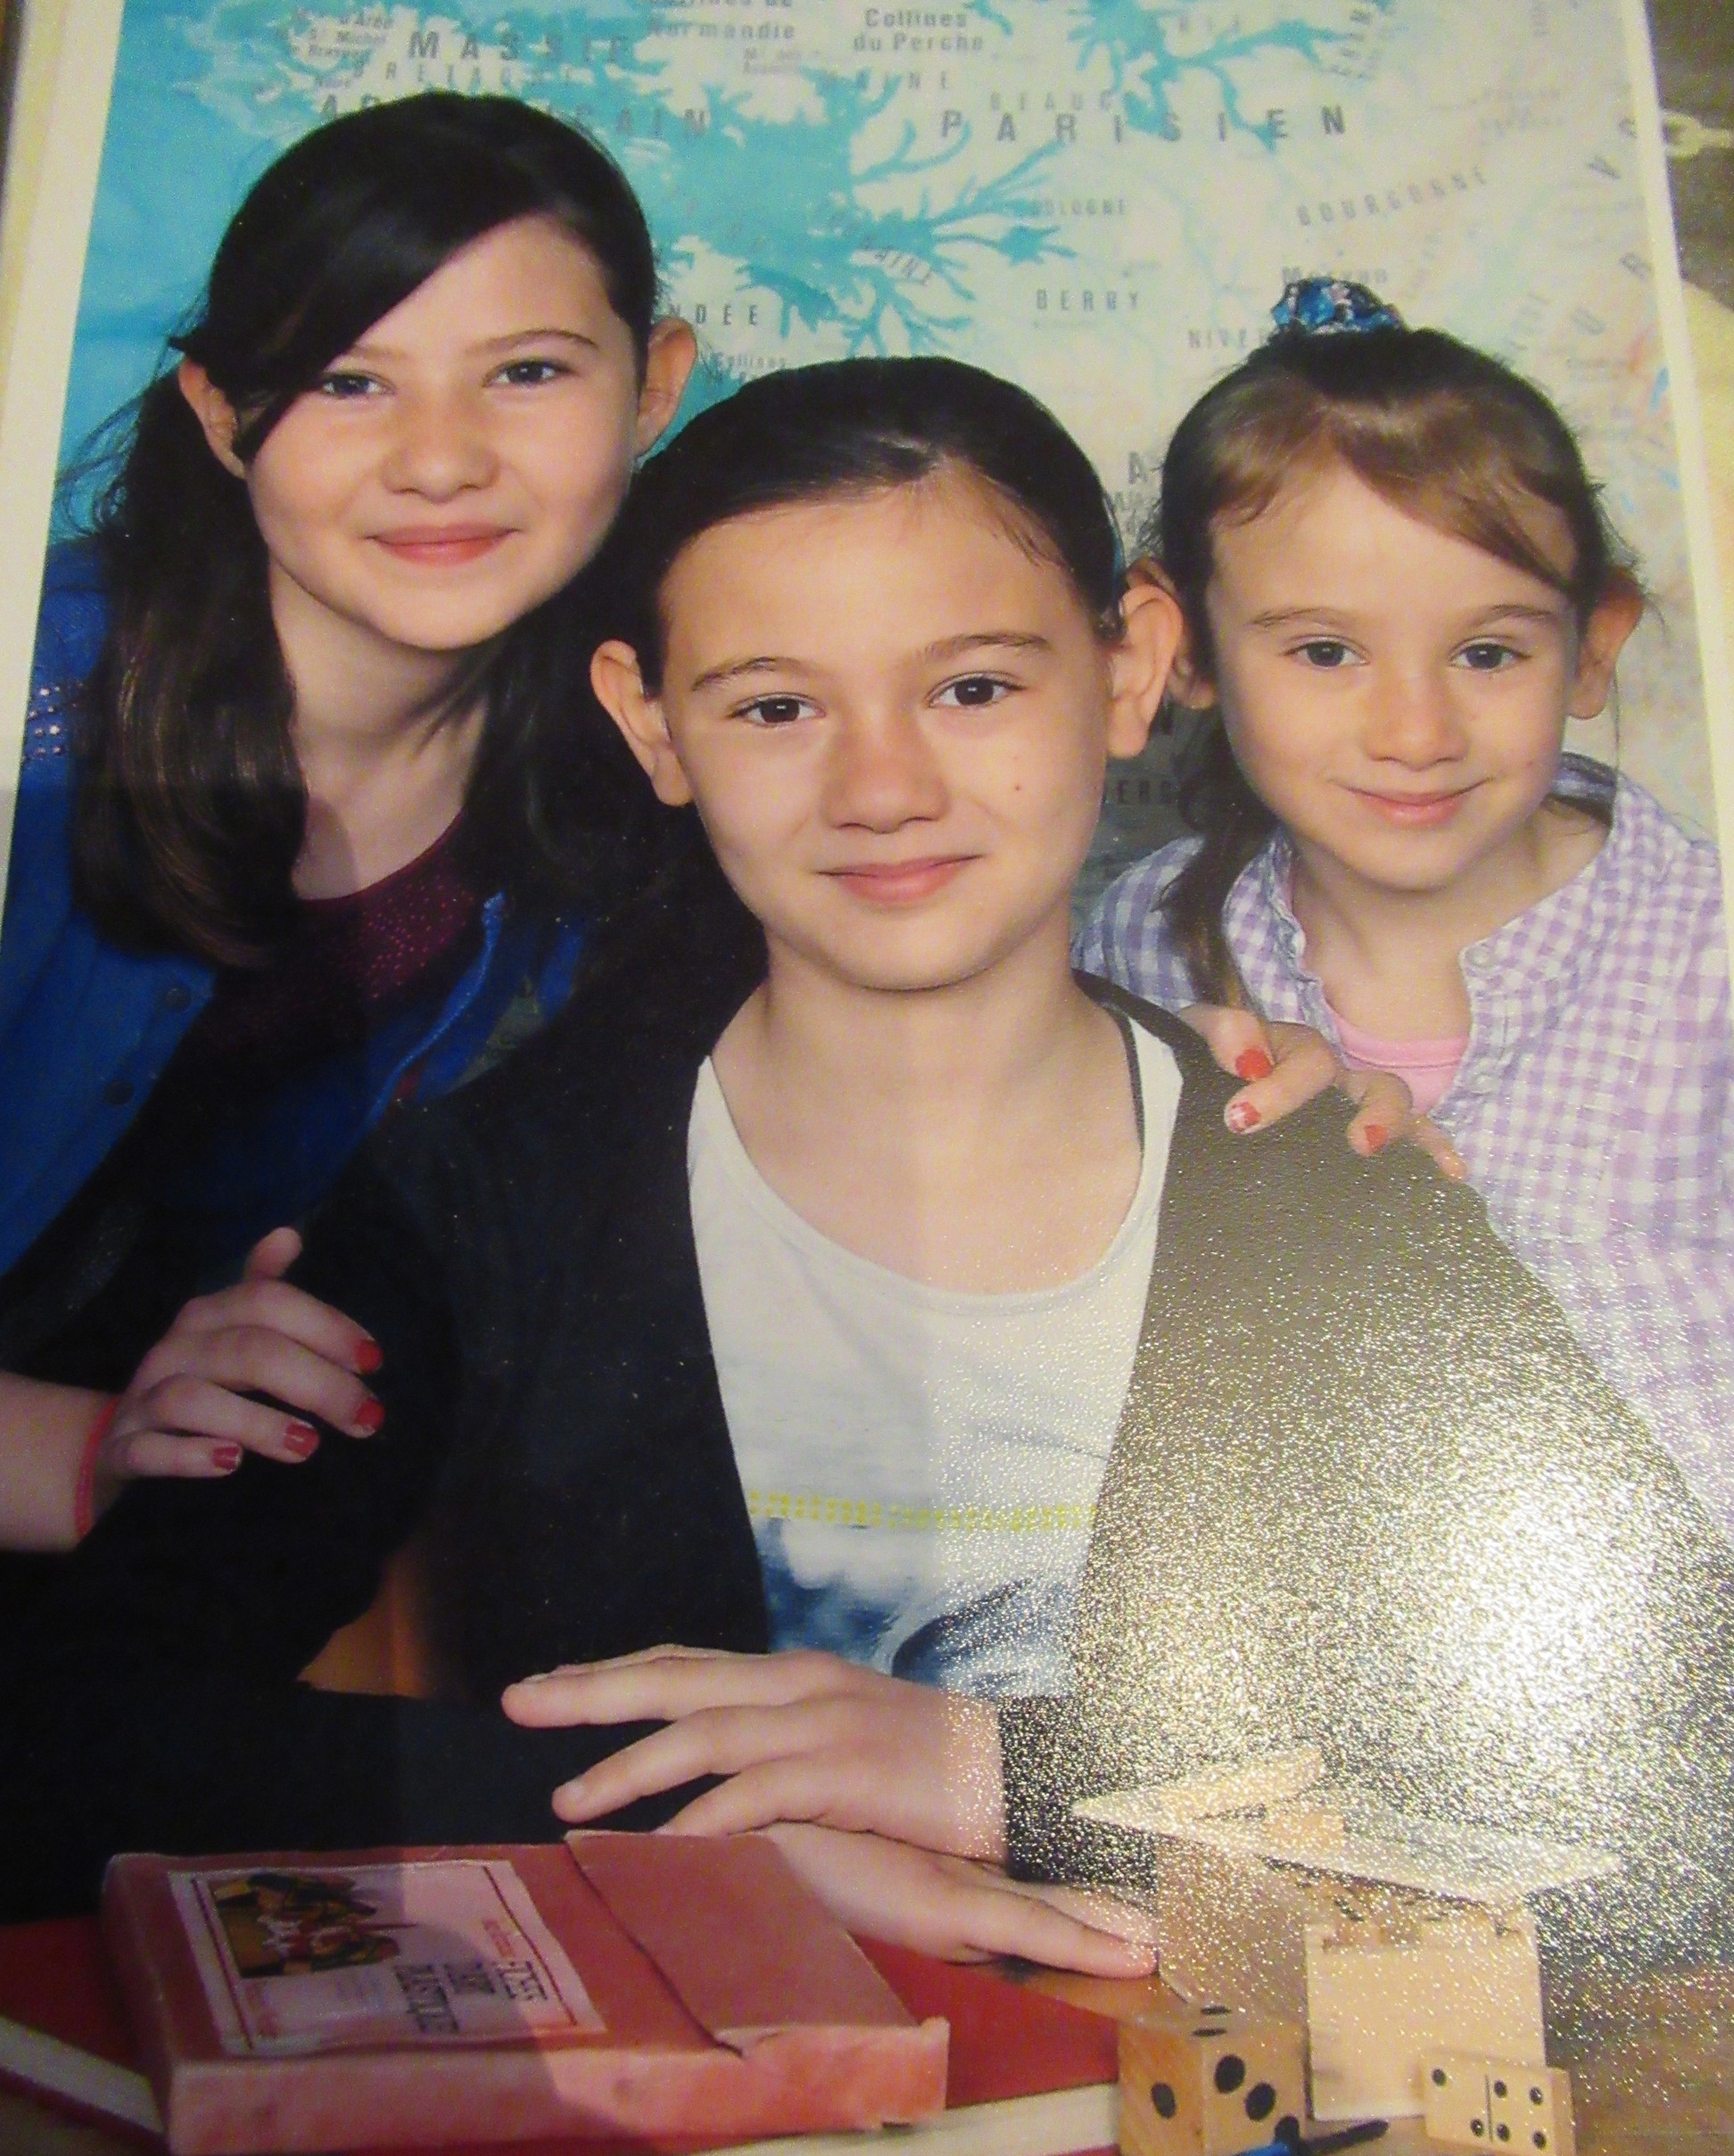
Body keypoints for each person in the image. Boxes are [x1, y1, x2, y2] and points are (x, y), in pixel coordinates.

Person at [5, 359, 1724, 1995]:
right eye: (775, 708)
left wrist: (995, 1773)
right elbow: (57, 1740)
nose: (884, 789)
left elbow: (1690, 1778)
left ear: (1131, 667)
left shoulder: (1324, 1176)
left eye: (974, 689)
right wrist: (687, 1841)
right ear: (651, 723)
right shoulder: (485, 1191)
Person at [0, 92, 696, 1549]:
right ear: (218, 415)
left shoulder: (632, 750)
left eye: (526, 371)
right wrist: (82, 1459)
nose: (440, 461)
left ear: (653, 388)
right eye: (349, 381)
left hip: (211, 1537)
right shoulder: (28, 712)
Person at [1071, 281, 1734, 1536]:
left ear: (1593, 644)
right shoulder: (1144, 944)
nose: (1417, 733)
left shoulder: (1709, 949)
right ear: (1183, 649)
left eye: (1488, 652)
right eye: (1326, 652)